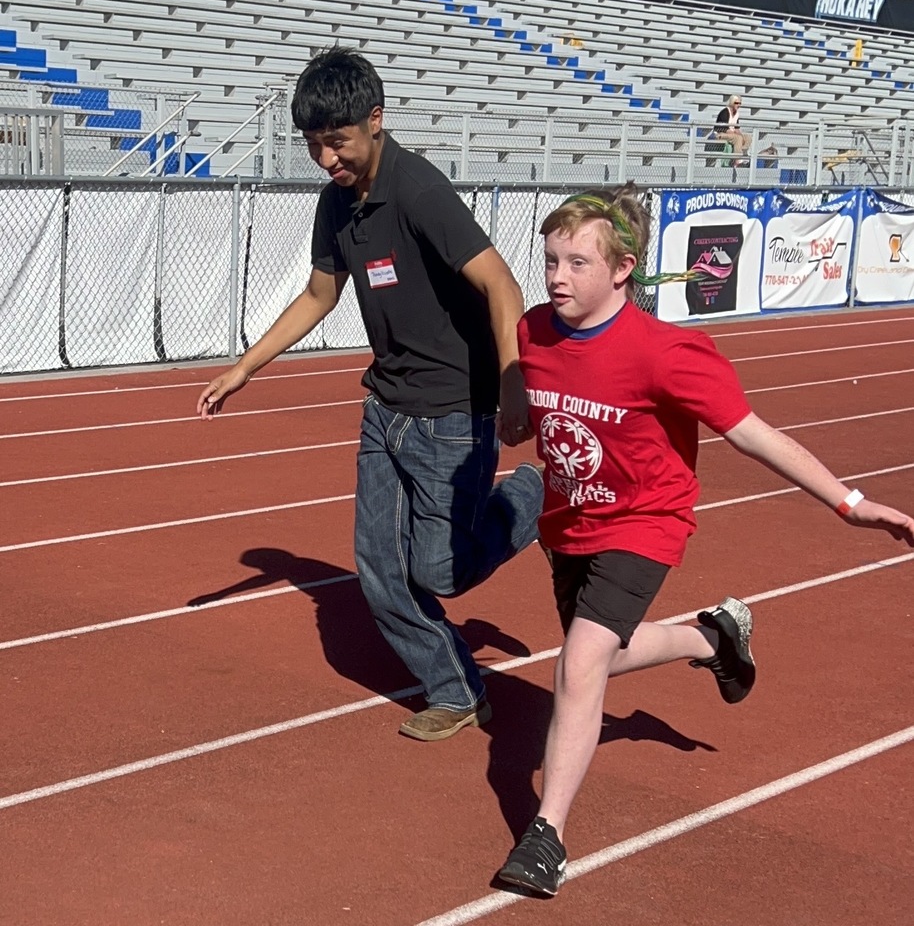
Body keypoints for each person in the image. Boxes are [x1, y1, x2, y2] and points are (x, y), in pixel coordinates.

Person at [497, 186, 914, 896]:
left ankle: (547, 836)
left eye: (576, 262)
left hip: (647, 522)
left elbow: (755, 436)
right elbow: (521, 404)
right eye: (550, 260)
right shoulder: (534, 331)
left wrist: (850, 504)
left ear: (624, 269)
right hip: (570, 526)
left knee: (582, 659)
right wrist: (506, 421)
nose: (557, 276)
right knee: (597, 662)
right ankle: (711, 638)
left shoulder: (669, 354)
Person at [196, 46, 544, 741]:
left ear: (375, 121)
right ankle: (456, 689)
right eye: (314, 145)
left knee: (439, 570)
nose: (327, 158)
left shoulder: (418, 191)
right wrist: (245, 367)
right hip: (385, 408)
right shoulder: (336, 205)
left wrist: (513, 385)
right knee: (380, 569)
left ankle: (530, 496)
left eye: (338, 141)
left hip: (454, 411)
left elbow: (502, 285)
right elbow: (321, 293)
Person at [713, 94, 752, 164]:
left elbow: (736, 128)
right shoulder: (725, 112)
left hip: (731, 133)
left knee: (748, 137)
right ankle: (737, 158)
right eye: (736, 103)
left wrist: (742, 136)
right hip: (721, 133)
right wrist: (738, 135)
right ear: (732, 102)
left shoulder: (737, 113)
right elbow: (723, 129)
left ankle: (744, 154)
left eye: (740, 103)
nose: (739, 105)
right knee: (738, 138)